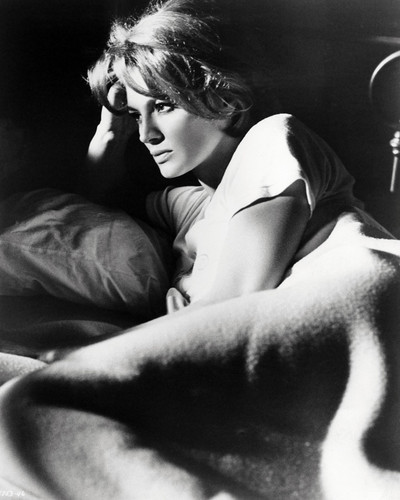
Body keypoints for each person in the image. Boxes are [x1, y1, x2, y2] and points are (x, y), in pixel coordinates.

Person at [0, 0, 400, 498]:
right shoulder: (190, 205)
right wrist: (110, 129)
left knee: (30, 412)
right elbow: (97, 202)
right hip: (276, 354)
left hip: (360, 302)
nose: (146, 134)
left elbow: (231, 307)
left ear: (226, 99)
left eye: (164, 106)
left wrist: (96, 356)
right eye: (136, 114)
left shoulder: (273, 140)